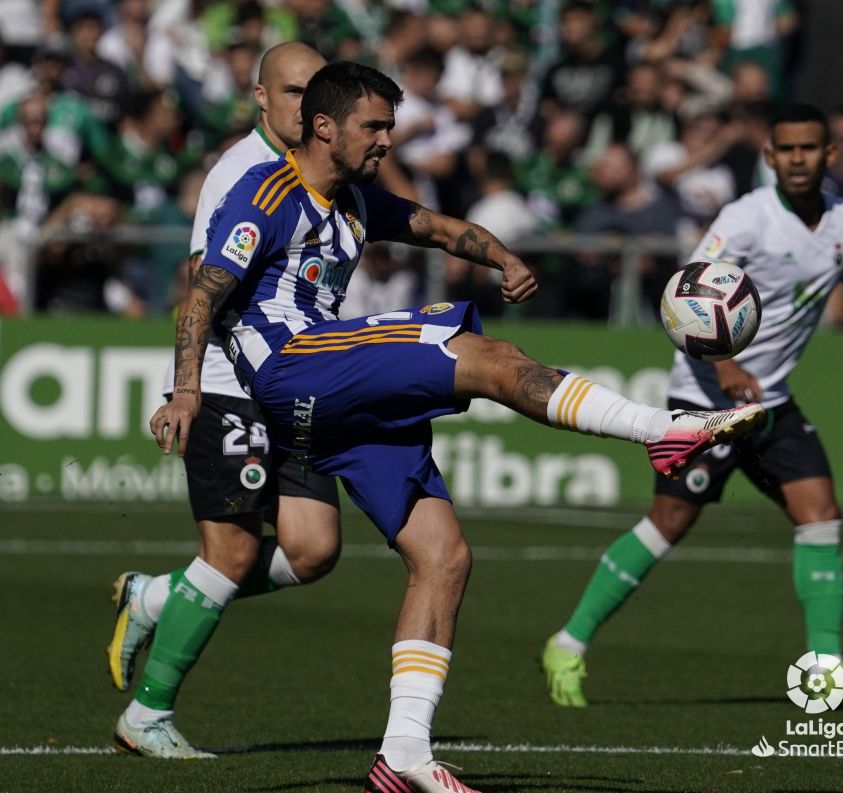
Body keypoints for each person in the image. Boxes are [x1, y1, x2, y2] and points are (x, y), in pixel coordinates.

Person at [150, 61, 764, 792]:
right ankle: (662, 429)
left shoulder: (351, 202)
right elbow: (199, 299)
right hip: (292, 366)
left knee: (443, 554)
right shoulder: (264, 194)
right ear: (324, 126)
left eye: (389, 125)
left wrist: (501, 254)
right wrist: (185, 390)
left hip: (330, 407)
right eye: (373, 126)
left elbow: (436, 227)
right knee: (489, 358)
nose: (387, 139)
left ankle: (404, 751)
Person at [541, 103, 843, 709]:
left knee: (821, 514)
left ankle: (827, 670)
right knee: (670, 523)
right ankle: (568, 643)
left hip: (773, 400)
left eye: (809, 148)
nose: (797, 159)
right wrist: (725, 365)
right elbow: (684, 296)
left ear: (829, 154)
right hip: (704, 395)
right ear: (769, 156)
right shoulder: (745, 220)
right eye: (785, 149)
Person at [107, 42, 342, 760]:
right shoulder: (243, 173)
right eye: (293, 90)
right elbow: (199, 285)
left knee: (313, 549)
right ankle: (146, 715)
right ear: (260, 97)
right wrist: (186, 388)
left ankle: (154, 597)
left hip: (296, 386)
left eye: (317, 91)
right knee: (233, 549)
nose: (306, 104)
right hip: (230, 383)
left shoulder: (322, 172)